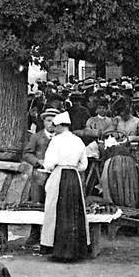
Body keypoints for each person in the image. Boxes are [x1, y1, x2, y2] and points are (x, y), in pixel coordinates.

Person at [40, 111, 89, 262]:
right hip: (74, 176)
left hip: (59, 174)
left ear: (61, 126)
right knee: (74, 211)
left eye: (56, 126)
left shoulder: (56, 141)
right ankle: (76, 250)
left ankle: (58, 250)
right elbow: (83, 165)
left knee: (57, 210)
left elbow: (49, 163)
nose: (54, 129)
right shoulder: (78, 141)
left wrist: (48, 167)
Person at [22, 108, 60, 246]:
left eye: (53, 121)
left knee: (54, 205)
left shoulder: (61, 137)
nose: (51, 124)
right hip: (39, 175)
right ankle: (35, 234)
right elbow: (26, 153)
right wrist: (38, 161)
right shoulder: (37, 137)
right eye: (48, 121)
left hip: (56, 174)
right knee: (37, 204)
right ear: (43, 122)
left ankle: (52, 236)